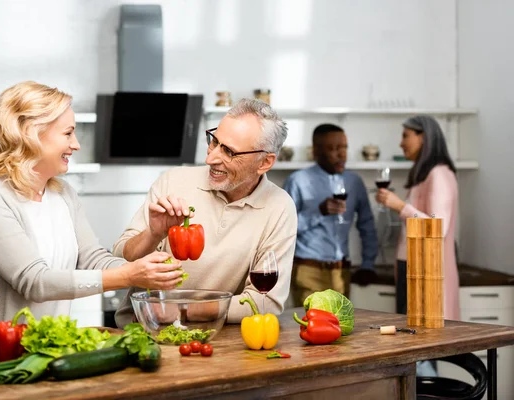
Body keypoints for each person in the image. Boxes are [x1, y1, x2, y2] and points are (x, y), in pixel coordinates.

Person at [0, 81, 182, 343]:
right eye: (68, 133)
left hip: (39, 345)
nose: (76, 144)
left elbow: (94, 260)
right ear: (31, 133)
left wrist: (144, 268)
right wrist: (129, 275)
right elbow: (34, 281)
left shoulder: (63, 194)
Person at [112, 98, 298, 327]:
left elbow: (265, 300)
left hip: (217, 339)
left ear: (264, 162)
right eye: (214, 142)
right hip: (144, 330)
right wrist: (152, 234)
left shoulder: (279, 207)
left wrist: (183, 309)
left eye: (229, 151)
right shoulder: (173, 181)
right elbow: (121, 258)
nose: (210, 158)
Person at [376, 115, 459, 321]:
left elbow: (437, 228)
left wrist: (400, 206)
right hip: (413, 266)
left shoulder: (439, 174)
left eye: (406, 136)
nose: (400, 142)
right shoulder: (424, 174)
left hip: (426, 270)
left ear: (424, 137)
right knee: (413, 338)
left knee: (425, 340)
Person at [284, 123, 378, 305]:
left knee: (341, 328)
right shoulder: (297, 181)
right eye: (334, 148)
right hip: (307, 271)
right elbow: (284, 229)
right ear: (317, 151)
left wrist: (368, 264)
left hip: (342, 272)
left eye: (344, 147)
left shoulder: (354, 182)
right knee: (312, 328)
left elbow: (367, 225)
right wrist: (318, 212)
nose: (341, 154)